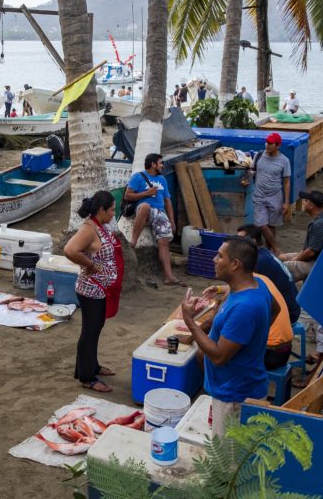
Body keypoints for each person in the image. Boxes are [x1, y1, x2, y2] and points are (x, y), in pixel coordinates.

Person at [180, 237, 276, 437]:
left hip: (234, 397)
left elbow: (218, 356)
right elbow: (275, 308)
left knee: (227, 464)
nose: (215, 259)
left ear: (235, 265)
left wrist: (189, 320)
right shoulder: (257, 285)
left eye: (220, 256)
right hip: (235, 386)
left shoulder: (244, 308)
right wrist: (252, 339)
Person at [64, 191, 124, 393]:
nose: (113, 214)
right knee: (90, 331)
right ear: (101, 210)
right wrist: (92, 266)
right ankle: (87, 377)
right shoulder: (89, 229)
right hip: (91, 289)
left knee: (95, 328)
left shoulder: (99, 226)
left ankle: (90, 366)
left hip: (100, 289)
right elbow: (70, 250)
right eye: (112, 210)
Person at [124, 153, 182, 286]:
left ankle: (169, 276)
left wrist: (172, 221)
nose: (162, 165)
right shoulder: (138, 177)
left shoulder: (162, 179)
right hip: (144, 210)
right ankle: (133, 241)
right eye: (160, 163)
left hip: (160, 213)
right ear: (153, 164)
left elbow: (168, 201)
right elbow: (128, 195)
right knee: (145, 206)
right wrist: (146, 193)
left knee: (164, 242)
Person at [237, 224, 300, 324]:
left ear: (253, 241)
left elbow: (243, 288)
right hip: (292, 309)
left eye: (241, 240)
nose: (237, 244)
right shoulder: (264, 253)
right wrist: (219, 289)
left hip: (287, 314)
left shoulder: (259, 260)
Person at [278, 190, 323, 284]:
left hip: (319, 264)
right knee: (281, 257)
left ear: (311, 205)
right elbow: (308, 248)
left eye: (305, 201)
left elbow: (310, 252)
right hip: (316, 258)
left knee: (283, 267)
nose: (303, 203)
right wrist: (294, 257)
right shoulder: (322, 219)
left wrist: (294, 260)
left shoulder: (319, 224)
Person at [248, 133, 291, 255]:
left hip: (275, 197)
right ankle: (277, 249)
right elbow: (252, 170)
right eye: (266, 142)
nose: (267, 145)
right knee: (261, 224)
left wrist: (286, 203)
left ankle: (269, 252)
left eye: (270, 143)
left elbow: (287, 182)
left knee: (272, 225)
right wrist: (248, 175)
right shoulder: (259, 155)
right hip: (259, 196)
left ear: (278, 145)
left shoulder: (284, 161)